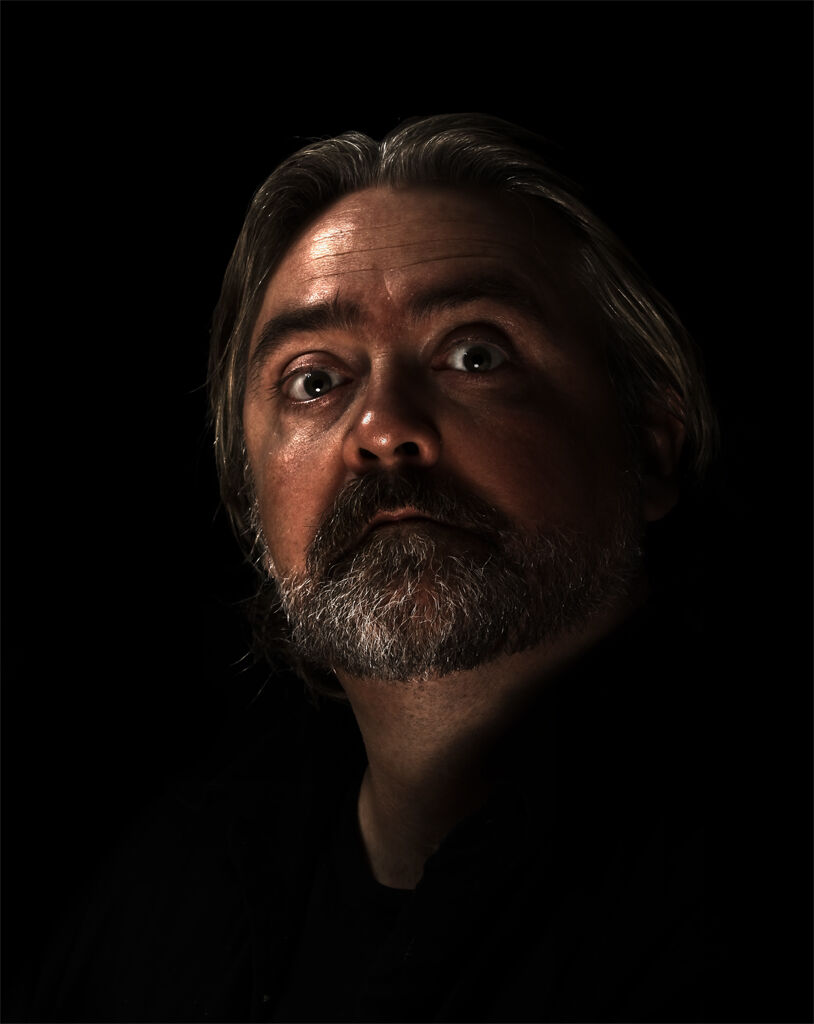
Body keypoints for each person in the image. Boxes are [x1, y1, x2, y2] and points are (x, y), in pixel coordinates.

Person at [25, 113, 728, 1022]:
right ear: (248, 496)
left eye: (474, 354)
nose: (383, 427)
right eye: (315, 381)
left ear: (651, 446)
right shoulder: (159, 901)